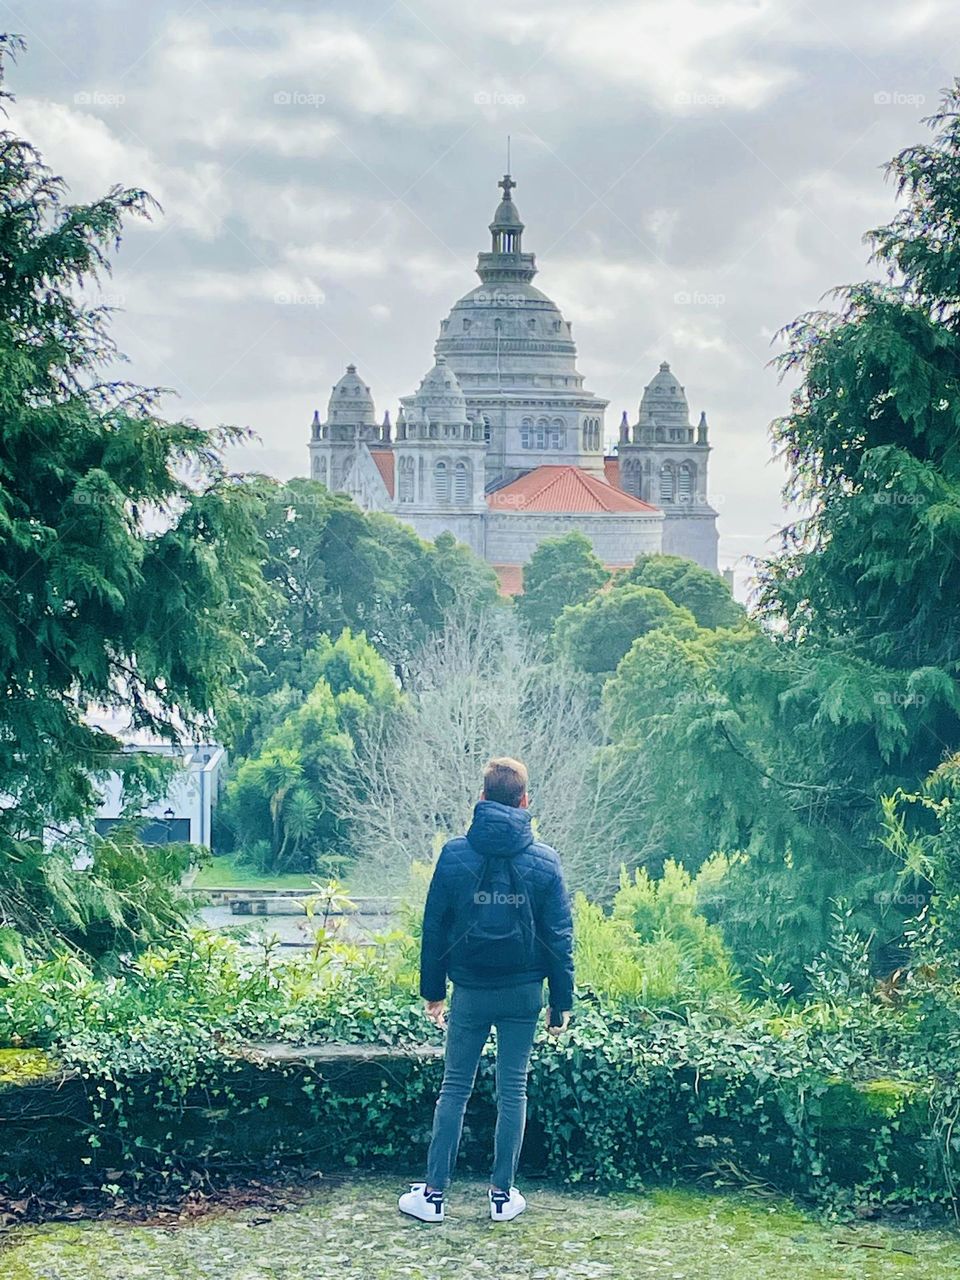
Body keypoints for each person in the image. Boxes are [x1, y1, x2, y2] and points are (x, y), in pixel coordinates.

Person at [398, 757, 574, 1225]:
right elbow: (559, 937)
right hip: (523, 995)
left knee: (454, 1088)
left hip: (471, 991)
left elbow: (435, 927)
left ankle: (433, 1197)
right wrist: (561, 1003)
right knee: (512, 1089)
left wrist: (433, 992)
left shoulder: (456, 854)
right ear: (524, 801)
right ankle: (502, 1197)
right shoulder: (546, 861)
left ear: (481, 798)